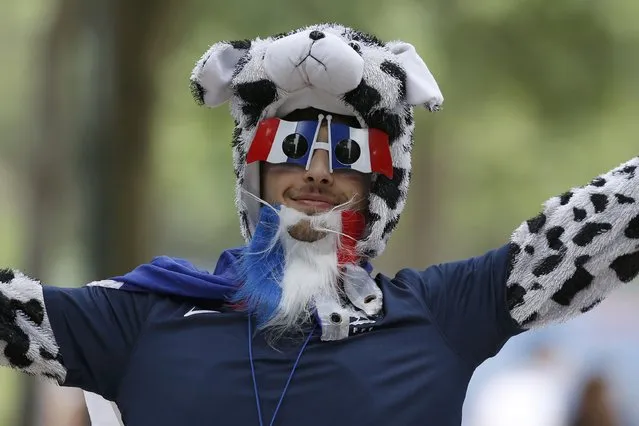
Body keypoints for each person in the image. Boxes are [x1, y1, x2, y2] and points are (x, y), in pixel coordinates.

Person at [0, 22, 637, 426]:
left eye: (353, 152)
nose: (319, 170)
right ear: (255, 167)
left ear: (381, 186)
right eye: (292, 142)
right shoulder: (146, 317)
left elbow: (584, 237)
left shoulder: (441, 315)